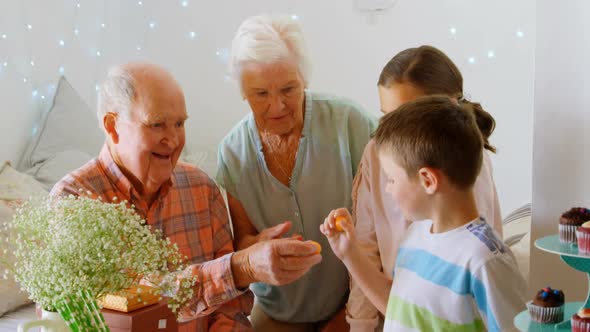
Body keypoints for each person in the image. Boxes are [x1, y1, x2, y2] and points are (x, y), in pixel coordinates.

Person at [51, 62, 323, 331]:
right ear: (112, 126)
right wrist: (241, 267)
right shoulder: (74, 199)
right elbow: (131, 304)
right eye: (157, 125)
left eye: (179, 124)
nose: (173, 140)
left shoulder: (202, 188)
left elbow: (232, 309)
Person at [216, 14, 377, 331]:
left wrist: (354, 314)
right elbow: (242, 241)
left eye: (289, 89)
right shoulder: (233, 152)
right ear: (243, 92)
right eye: (261, 94)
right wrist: (258, 245)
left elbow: (386, 231)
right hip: (279, 313)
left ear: (304, 78)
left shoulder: (352, 124)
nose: (277, 107)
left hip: (356, 305)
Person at [322, 96, 526, 332]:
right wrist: (350, 254)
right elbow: (398, 309)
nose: (387, 188)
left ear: (427, 180)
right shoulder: (415, 236)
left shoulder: (485, 261)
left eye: (391, 179)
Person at [347, 45, 503, 331]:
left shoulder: (471, 169)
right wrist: (360, 325)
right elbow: (366, 244)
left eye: (406, 116)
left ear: (446, 108)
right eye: (386, 117)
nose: (392, 133)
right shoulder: (376, 153)